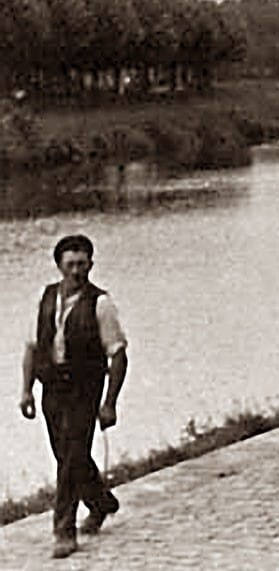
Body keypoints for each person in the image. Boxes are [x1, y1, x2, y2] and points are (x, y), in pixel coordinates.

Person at [19, 234, 128, 559]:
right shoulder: (45, 298)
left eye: (82, 264)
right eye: (70, 265)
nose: (77, 271)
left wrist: (109, 403)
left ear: (91, 265)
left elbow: (118, 355)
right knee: (64, 452)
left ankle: (63, 530)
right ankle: (101, 502)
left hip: (85, 388)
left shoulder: (101, 303)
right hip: (52, 387)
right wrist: (26, 390)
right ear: (59, 266)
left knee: (71, 455)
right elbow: (31, 348)